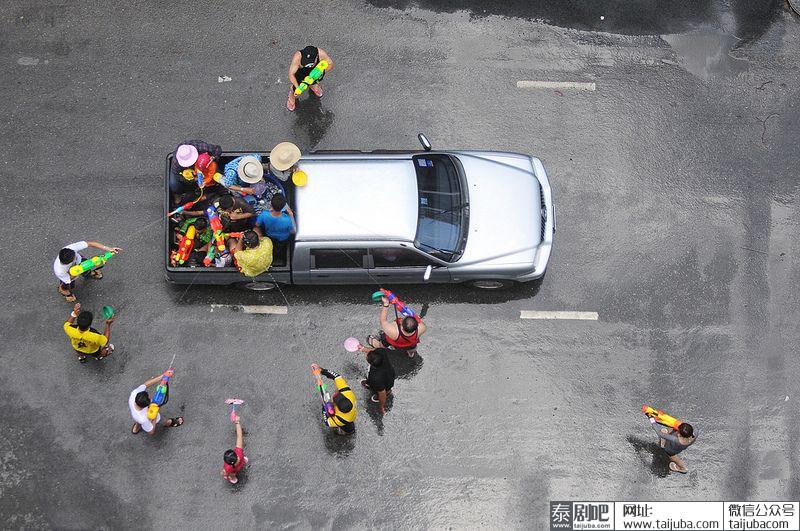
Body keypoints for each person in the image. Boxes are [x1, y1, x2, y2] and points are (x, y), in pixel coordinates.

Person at [54, 241, 121, 302]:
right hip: (70, 274)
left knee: (86, 269)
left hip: (80, 263)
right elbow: (69, 279)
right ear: (71, 261)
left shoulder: (69, 249)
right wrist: (78, 271)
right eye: (75, 256)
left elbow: (90, 243)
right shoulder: (60, 271)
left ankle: (89, 273)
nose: (76, 254)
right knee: (68, 287)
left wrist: (107, 248)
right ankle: (66, 293)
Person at [287, 46, 334, 112]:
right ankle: (291, 96)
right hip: (301, 73)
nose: (308, 65)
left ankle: (313, 86)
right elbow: (291, 74)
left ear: (316, 57)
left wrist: (319, 72)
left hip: (315, 71)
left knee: (314, 82)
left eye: (310, 64)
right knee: (295, 88)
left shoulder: (321, 54)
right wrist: (298, 87)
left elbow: (330, 64)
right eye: (305, 63)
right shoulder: (297, 57)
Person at [318, 367, 357, 435]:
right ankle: (351, 429)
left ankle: (348, 432)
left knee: (346, 427)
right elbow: (337, 377)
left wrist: (324, 408)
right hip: (352, 415)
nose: (333, 396)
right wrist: (323, 371)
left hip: (346, 421)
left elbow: (327, 422)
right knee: (350, 423)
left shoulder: (340, 420)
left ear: (338, 408)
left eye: (334, 400)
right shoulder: (348, 393)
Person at [358, 345, 395, 415]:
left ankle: (386, 393)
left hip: (383, 384)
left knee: (383, 390)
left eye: (367, 357)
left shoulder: (376, 378)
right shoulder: (381, 353)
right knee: (382, 384)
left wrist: (381, 406)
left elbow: (382, 393)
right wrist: (363, 349)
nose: (366, 356)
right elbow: (374, 351)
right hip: (390, 374)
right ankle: (369, 383)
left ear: (371, 363)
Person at [221, 417, 248, 484]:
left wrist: (225, 474)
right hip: (241, 462)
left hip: (233, 470)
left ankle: (232, 478)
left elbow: (223, 473)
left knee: (231, 474)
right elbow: (239, 436)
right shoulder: (239, 452)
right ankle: (243, 461)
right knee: (242, 461)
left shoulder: (227, 467)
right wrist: (237, 422)